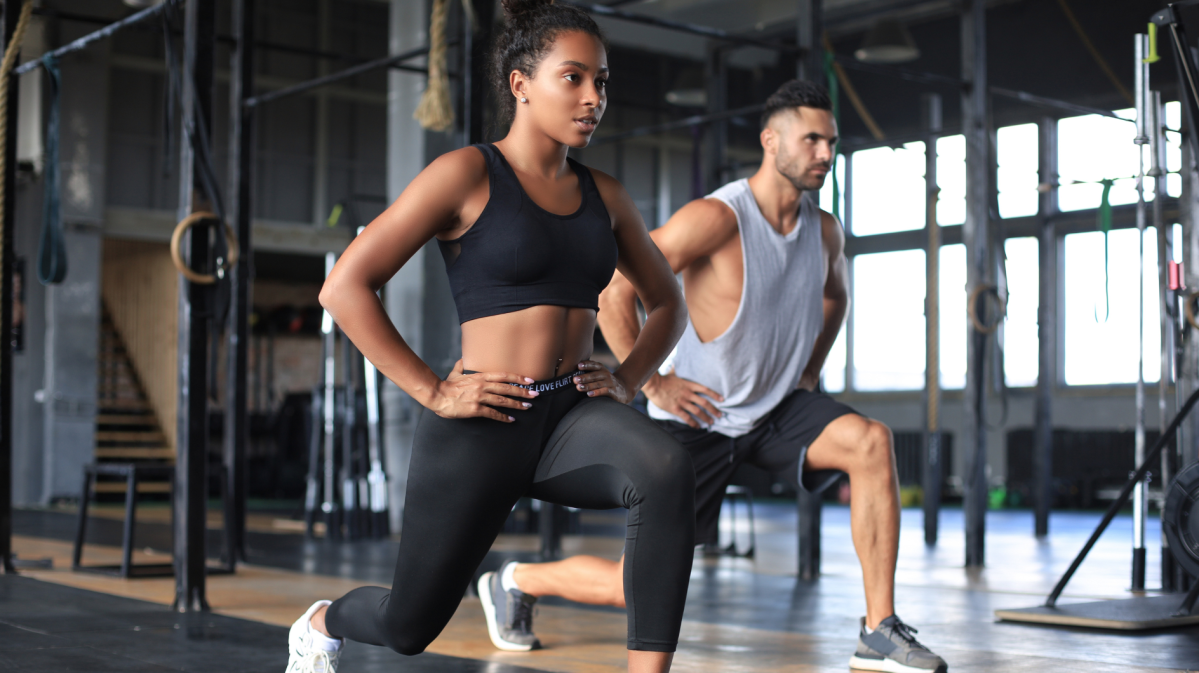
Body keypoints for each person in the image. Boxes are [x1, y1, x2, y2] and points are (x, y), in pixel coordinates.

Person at [480, 79, 949, 673]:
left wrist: (809, 369)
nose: (825, 154)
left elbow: (835, 298)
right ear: (770, 140)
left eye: (831, 142)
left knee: (871, 441)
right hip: (694, 417)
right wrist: (653, 384)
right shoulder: (717, 219)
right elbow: (619, 291)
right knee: (638, 586)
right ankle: (517, 581)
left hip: (774, 410)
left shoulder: (824, 230)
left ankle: (878, 631)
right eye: (811, 140)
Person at [283, 2, 696, 672]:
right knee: (409, 624)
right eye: (574, 78)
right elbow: (345, 287)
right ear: (520, 83)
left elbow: (665, 303)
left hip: (569, 414)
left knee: (665, 468)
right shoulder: (467, 174)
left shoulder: (607, 196)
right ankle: (322, 620)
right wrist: (434, 391)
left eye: (602, 81)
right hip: (483, 420)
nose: (594, 97)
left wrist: (625, 378)